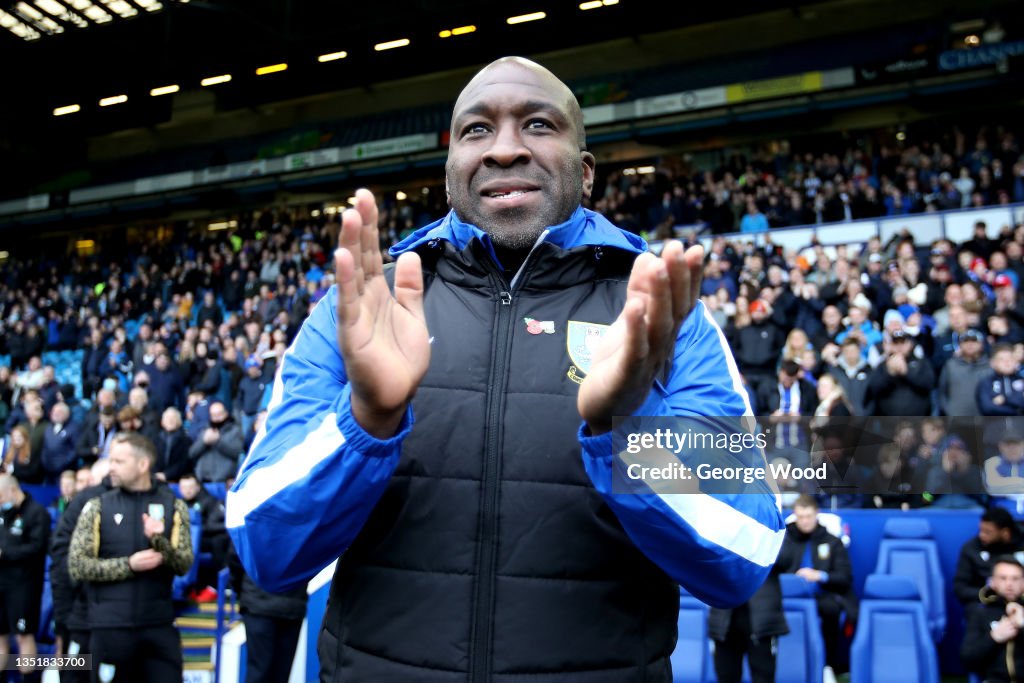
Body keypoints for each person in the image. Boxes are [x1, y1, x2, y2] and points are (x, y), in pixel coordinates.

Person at [227, 57, 784, 682]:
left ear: (586, 170)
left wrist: (627, 430)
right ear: (449, 175)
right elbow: (264, 549)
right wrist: (367, 420)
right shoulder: (363, 309)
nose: (505, 149)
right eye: (476, 130)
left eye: (540, 125)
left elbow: (744, 554)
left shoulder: (662, 313)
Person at [68, 433, 193, 683]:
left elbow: (183, 564)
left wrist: (160, 542)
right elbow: (77, 565)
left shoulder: (173, 505)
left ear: (142, 465)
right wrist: (128, 565)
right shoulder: (97, 506)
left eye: (118, 461)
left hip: (158, 625)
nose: (111, 467)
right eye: (111, 460)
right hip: (111, 628)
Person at [775, 494, 857, 678]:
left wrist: (819, 576)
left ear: (816, 515)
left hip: (823, 595)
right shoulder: (783, 539)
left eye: (808, 517)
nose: (804, 522)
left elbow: (845, 577)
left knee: (831, 609)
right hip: (787, 596)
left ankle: (828, 665)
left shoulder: (832, 541)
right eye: (800, 517)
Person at [49, 459, 112, 683]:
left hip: (107, 612)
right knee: (71, 664)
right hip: (76, 607)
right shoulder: (83, 503)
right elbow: (60, 554)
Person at [227, 542, 308, 683]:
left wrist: (240, 589)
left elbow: (236, 552)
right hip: (291, 603)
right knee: (279, 675)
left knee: (258, 673)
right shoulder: (305, 519)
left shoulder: (250, 519)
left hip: (258, 602)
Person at [0, 474, 51, 683]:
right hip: (1, 584)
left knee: (23, 636)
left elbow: (37, 548)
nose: (0, 501)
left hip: (24, 586)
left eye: (1, 496)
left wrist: (5, 553)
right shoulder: (3, 514)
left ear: (13, 490)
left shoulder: (38, 513)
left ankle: (28, 680)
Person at [961, 556, 1024, 680]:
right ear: (993, 582)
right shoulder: (980, 612)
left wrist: (1022, 625)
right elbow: (967, 659)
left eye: (1015, 578)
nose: (1009, 584)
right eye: (1003, 578)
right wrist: (994, 638)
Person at [954, 507, 1024, 608]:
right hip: (987, 607)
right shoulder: (972, 549)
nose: (982, 535)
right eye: (981, 530)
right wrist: (988, 592)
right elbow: (960, 588)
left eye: (988, 532)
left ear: (1005, 533)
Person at [178, 472, 228, 596]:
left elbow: (214, 525)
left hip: (205, 539)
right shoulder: (178, 503)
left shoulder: (209, 501)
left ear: (198, 487)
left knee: (219, 540)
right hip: (184, 539)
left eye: (190, 487)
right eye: (184, 488)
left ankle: (219, 586)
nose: (187, 491)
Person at [189, 401, 244, 483]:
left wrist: (217, 442)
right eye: (214, 415)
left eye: (220, 414)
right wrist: (204, 442)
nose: (217, 418)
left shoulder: (235, 430)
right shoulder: (205, 431)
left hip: (224, 481)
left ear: (226, 413)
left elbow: (237, 452)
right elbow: (192, 453)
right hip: (203, 479)